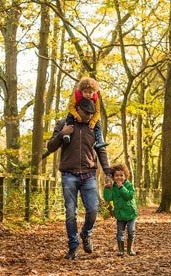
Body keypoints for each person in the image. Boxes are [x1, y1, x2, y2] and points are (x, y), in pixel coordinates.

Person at [47, 98, 112, 260]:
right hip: (69, 175)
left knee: (92, 210)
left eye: (91, 113)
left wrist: (108, 172)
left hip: (89, 174)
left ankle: (85, 233)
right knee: (70, 213)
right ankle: (73, 247)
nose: (89, 116)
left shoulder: (94, 126)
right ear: (77, 109)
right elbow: (50, 147)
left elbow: (101, 151)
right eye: (86, 113)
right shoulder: (64, 123)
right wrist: (62, 134)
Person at [63, 76, 109, 149]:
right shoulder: (76, 96)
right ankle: (67, 134)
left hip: (90, 115)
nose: (88, 94)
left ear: (94, 92)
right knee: (69, 117)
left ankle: (99, 140)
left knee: (98, 123)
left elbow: (97, 111)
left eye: (90, 92)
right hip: (76, 112)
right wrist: (76, 115)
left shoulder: (95, 98)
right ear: (81, 91)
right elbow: (70, 106)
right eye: (85, 92)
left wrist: (93, 121)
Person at [103, 163, 138, 256]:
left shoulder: (129, 185)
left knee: (131, 230)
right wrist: (107, 188)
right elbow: (108, 197)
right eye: (116, 176)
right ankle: (121, 250)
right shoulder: (113, 187)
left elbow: (129, 196)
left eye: (121, 175)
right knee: (120, 232)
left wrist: (122, 187)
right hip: (119, 214)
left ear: (125, 176)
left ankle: (130, 249)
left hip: (131, 213)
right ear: (113, 177)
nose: (119, 178)